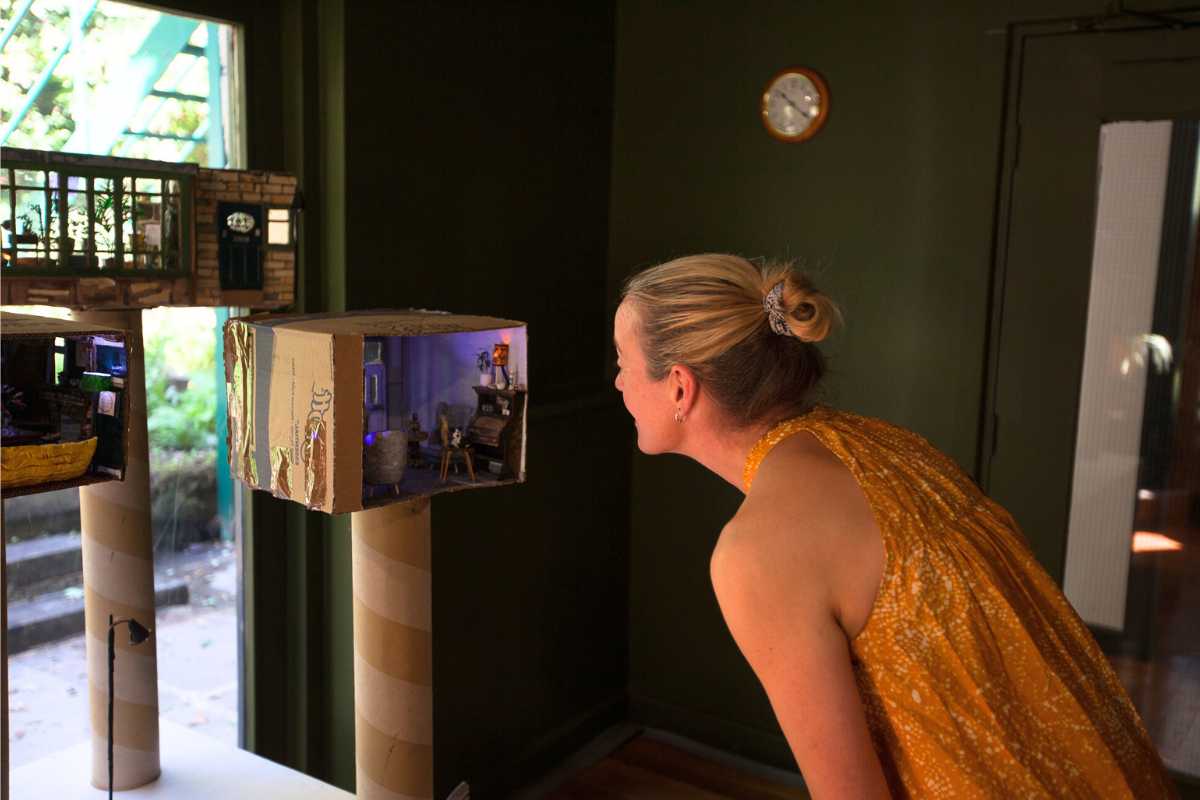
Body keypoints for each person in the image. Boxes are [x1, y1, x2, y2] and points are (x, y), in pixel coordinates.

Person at [613, 253, 1178, 800]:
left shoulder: (755, 553)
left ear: (680, 387)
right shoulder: (887, 445)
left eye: (623, 362)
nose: (617, 384)